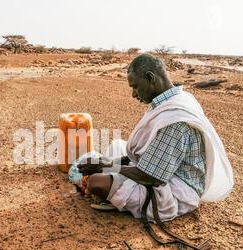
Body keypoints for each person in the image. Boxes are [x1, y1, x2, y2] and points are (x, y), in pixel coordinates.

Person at [78, 53, 233, 221]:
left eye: (135, 87)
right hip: (161, 170)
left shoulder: (174, 120)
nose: (133, 94)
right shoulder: (176, 98)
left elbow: (151, 176)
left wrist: (106, 167)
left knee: (96, 183)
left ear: (150, 78)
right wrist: (107, 164)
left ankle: (119, 198)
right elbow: (150, 154)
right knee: (116, 146)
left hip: (176, 189)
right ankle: (115, 189)